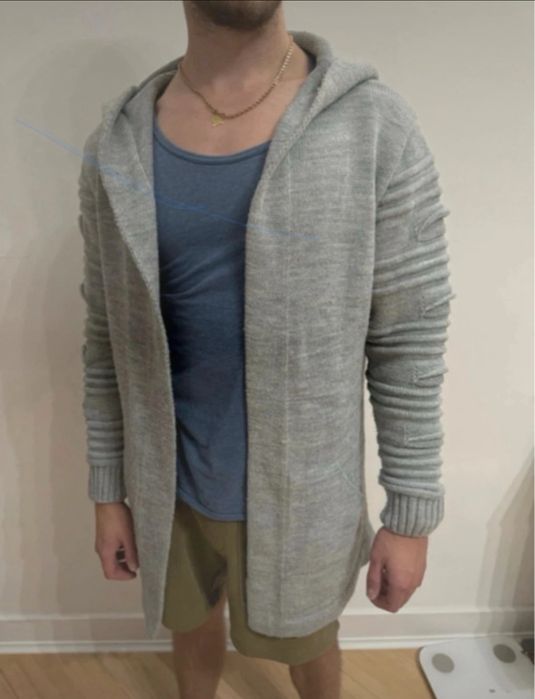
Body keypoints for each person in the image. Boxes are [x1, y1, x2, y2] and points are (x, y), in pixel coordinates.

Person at [78, 2, 455, 698]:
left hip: (305, 499)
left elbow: (408, 336)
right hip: (168, 491)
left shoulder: (371, 124)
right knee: (190, 628)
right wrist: (108, 491)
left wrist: (409, 513)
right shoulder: (119, 143)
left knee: (310, 647)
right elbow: (107, 335)